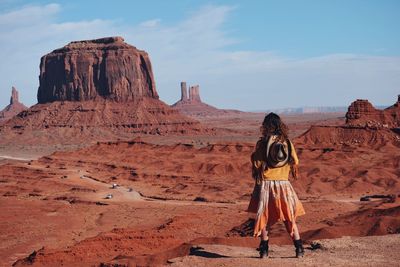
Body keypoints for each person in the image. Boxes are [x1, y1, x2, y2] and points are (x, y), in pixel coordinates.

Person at [248, 112, 305, 258]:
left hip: (266, 185)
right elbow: (295, 162)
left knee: (264, 217)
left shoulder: (263, 143)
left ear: (266, 126)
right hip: (284, 185)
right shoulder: (287, 142)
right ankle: (299, 248)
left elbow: (257, 163)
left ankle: (264, 250)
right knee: (289, 217)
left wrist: (254, 156)